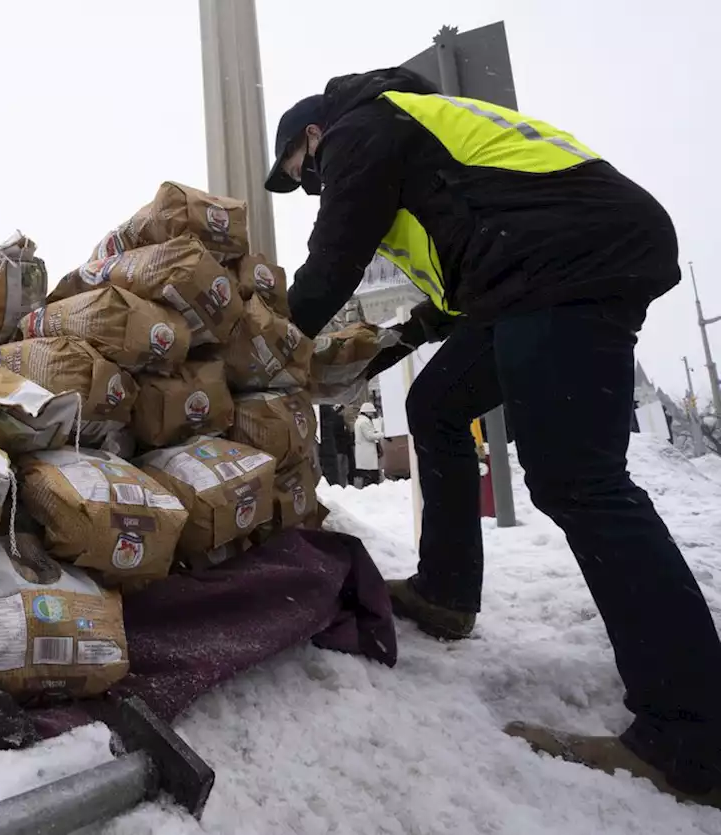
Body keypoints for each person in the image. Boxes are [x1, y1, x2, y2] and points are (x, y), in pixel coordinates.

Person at [265, 67, 721, 805]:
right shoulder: (420, 149)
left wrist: (261, 349)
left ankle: (692, 732)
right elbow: (460, 286)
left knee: (578, 478)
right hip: (536, 268)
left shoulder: (363, 128)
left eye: (304, 174)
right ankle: (447, 589)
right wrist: (383, 347)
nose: (315, 186)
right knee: (439, 403)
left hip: (568, 262)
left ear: (313, 138)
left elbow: (331, 261)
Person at [352, 402, 383, 486]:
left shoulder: (360, 420)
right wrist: (382, 434)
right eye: (372, 412)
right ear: (368, 412)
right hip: (366, 453)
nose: (372, 414)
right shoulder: (364, 422)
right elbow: (369, 436)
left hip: (364, 452)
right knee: (370, 476)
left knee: (367, 474)